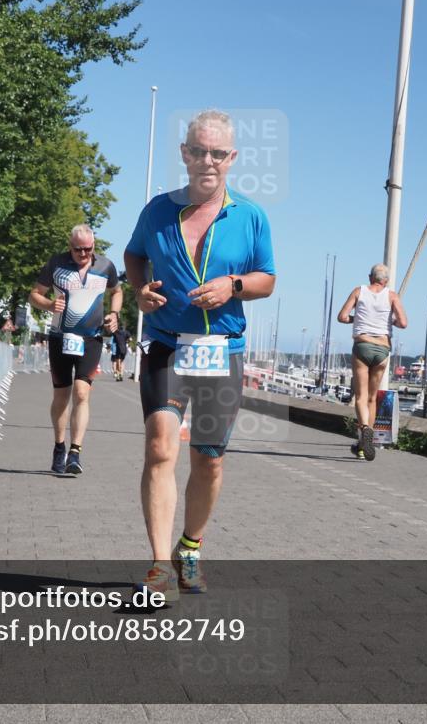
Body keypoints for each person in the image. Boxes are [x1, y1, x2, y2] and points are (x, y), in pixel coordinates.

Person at [123, 109, 276, 601]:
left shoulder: (250, 216)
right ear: (184, 154)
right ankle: (157, 565)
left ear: (232, 158)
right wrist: (140, 290)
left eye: (218, 153)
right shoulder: (157, 211)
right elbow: (133, 255)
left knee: (208, 460)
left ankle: (189, 548)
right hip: (167, 347)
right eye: (198, 151)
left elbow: (267, 280)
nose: (207, 160)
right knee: (159, 448)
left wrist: (233, 286)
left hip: (221, 352)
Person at [29, 225, 122, 476]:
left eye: (88, 249)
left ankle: (75, 452)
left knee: (82, 393)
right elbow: (34, 295)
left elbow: (117, 291)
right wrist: (49, 304)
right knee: (62, 396)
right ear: (70, 246)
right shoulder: (56, 264)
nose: (83, 254)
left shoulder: (105, 266)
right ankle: (59, 447)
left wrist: (114, 314)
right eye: (77, 249)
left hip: (91, 339)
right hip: (60, 337)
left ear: (94, 246)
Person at [337, 264, 407, 461]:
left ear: (370, 277)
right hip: (382, 349)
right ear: (385, 281)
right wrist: (390, 321)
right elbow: (403, 323)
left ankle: (365, 431)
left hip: (363, 345)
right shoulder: (392, 296)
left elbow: (341, 317)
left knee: (360, 396)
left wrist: (356, 319)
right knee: (372, 397)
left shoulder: (359, 291)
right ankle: (364, 444)